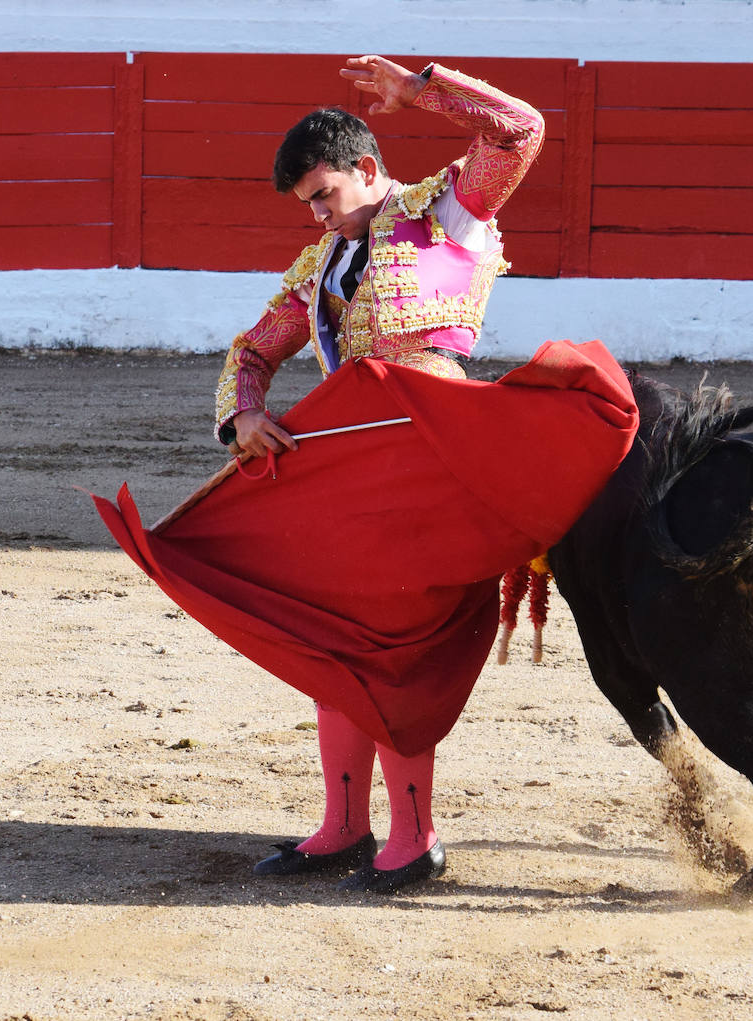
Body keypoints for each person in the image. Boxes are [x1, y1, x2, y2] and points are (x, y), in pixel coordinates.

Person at [213, 55, 546, 893]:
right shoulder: (320, 265)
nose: (320, 214)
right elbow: (252, 351)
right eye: (307, 205)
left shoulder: (449, 210)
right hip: (360, 473)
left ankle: (416, 835)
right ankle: (343, 825)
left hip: (441, 462)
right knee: (339, 643)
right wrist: (244, 413)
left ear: (367, 168)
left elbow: (522, 129)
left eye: (325, 193)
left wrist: (425, 89)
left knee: (403, 648)